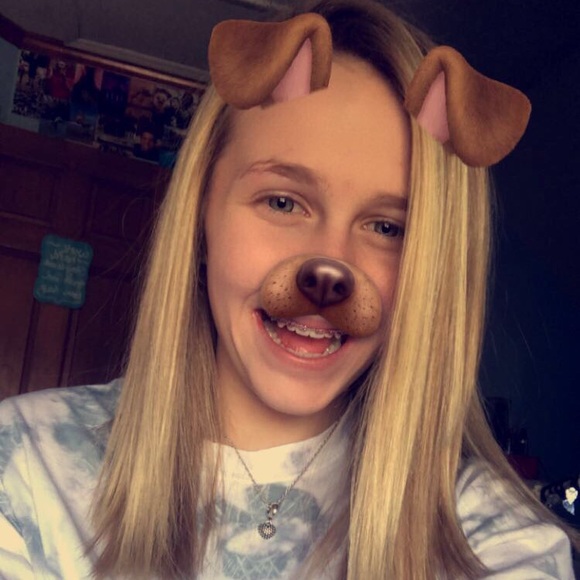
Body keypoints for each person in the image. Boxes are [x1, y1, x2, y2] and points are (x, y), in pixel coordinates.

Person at [0, 0, 578, 578]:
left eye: (387, 228)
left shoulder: (492, 539)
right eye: (282, 202)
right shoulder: (24, 464)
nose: (330, 268)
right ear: (201, 211)